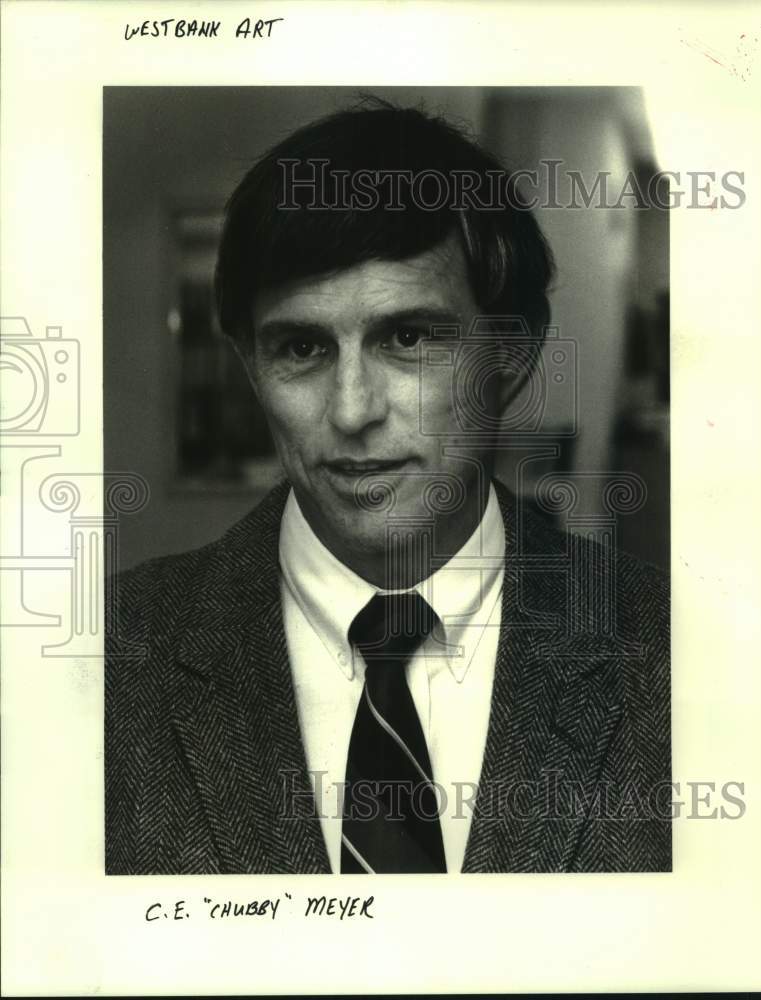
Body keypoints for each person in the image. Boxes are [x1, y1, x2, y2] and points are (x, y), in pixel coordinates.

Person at [105, 100, 670, 875]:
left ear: (513, 355)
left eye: (406, 338)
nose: (350, 411)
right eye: (300, 348)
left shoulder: (682, 655)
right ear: (249, 367)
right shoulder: (98, 666)